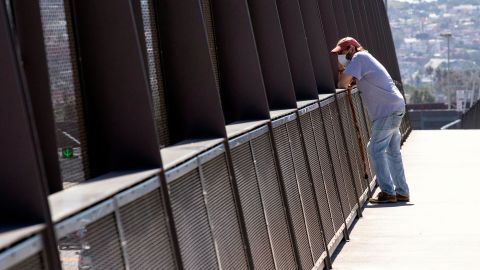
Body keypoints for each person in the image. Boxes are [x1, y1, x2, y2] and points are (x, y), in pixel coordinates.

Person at [331, 37, 410, 203]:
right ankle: (402, 191)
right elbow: (351, 82)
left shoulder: (359, 58)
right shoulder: (366, 58)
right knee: (392, 152)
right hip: (394, 107)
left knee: (374, 149)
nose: (340, 56)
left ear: (351, 48)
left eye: (342, 52)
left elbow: (342, 84)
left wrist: (340, 69)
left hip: (387, 112)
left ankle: (388, 192)